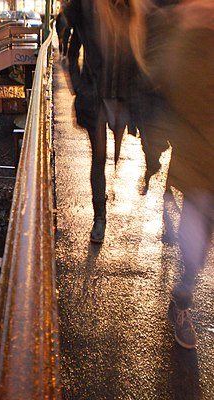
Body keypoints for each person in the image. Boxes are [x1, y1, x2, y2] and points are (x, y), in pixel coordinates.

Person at [129, 0, 214, 349]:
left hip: (198, 160)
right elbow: (155, 86)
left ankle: (181, 301)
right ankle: (181, 302)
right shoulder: (179, 42)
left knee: (199, 237)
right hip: (199, 163)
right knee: (197, 241)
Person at [64, 0, 135, 243]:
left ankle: (104, 206)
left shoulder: (129, 9)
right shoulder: (87, 9)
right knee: (99, 158)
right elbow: (71, 52)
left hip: (121, 96)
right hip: (95, 97)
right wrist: (78, 86)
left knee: (114, 154)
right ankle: (99, 218)